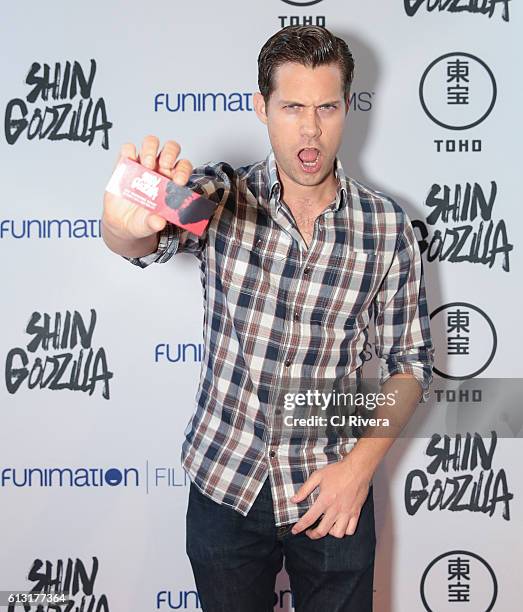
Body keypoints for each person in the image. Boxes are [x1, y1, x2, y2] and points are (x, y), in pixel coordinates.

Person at [101, 25, 434, 612]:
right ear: (263, 108)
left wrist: (358, 471)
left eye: (327, 107)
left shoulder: (387, 228)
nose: (310, 129)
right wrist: (125, 226)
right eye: (292, 107)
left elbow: (411, 367)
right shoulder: (223, 196)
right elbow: (139, 238)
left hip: (333, 487)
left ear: (348, 108)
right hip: (227, 483)